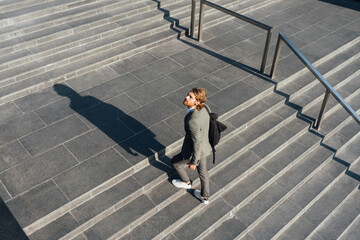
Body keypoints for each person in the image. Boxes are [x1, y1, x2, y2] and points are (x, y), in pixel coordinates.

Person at [171, 87, 212, 204]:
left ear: (197, 102)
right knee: (203, 173)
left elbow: (196, 142)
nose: (186, 97)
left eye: (190, 97)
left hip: (195, 151)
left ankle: (186, 182)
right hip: (204, 149)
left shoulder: (192, 120)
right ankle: (205, 197)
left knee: (175, 163)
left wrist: (194, 161)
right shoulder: (204, 109)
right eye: (187, 95)